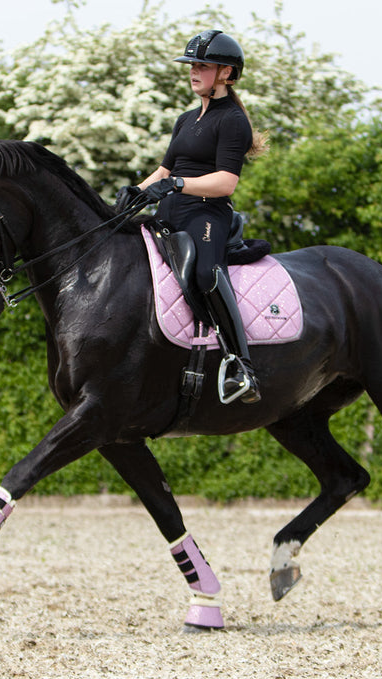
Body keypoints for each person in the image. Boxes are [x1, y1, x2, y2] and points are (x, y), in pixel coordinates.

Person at [117, 29, 266, 404]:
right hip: (171, 209)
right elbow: (165, 170)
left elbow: (226, 182)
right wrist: (136, 192)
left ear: (227, 74)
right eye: (192, 65)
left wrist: (180, 184)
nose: (193, 72)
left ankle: (240, 364)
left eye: (203, 65)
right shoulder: (185, 119)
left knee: (205, 272)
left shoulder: (232, 120)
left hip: (206, 214)